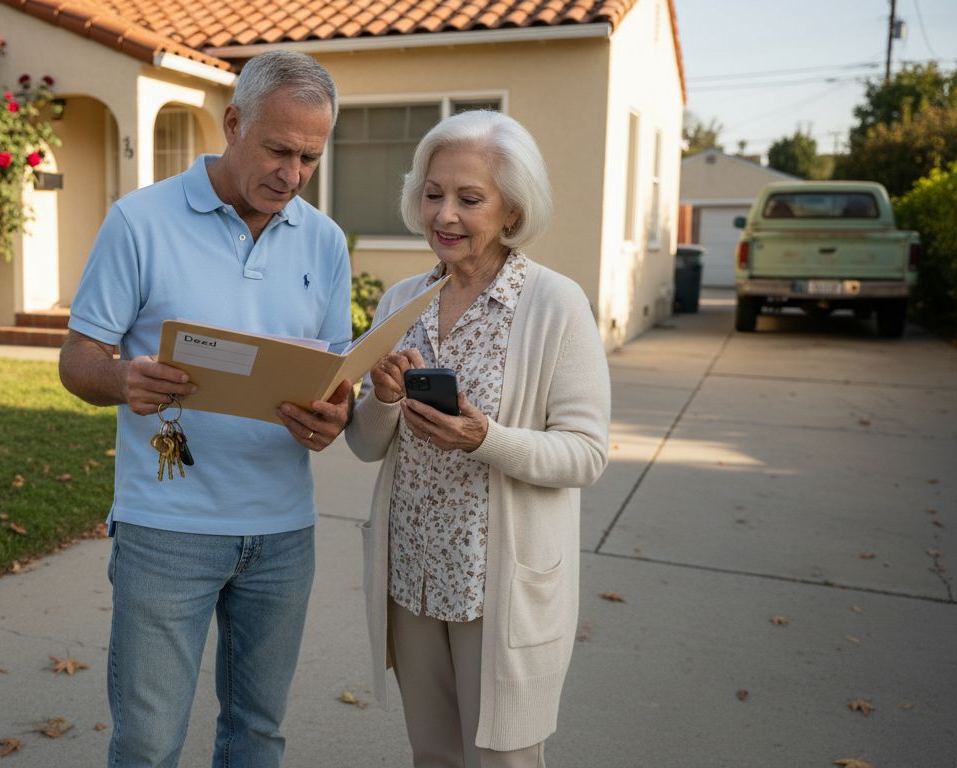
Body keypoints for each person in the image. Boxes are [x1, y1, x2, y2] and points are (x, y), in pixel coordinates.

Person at [57, 50, 353, 768]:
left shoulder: (325, 240)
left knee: (257, 733)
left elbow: (339, 377)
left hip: (283, 535)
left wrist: (333, 419)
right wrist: (124, 378)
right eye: (278, 149)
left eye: (309, 157)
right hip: (168, 530)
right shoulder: (139, 222)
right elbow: (77, 361)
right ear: (231, 123)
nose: (291, 174)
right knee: (150, 742)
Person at [345, 110, 610, 768]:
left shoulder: (556, 305)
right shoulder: (402, 299)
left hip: (500, 586)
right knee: (433, 754)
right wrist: (380, 397)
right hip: (412, 572)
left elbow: (586, 452)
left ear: (513, 209)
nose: (446, 215)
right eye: (433, 194)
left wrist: (483, 438)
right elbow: (366, 446)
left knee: (504, 759)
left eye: (469, 198)